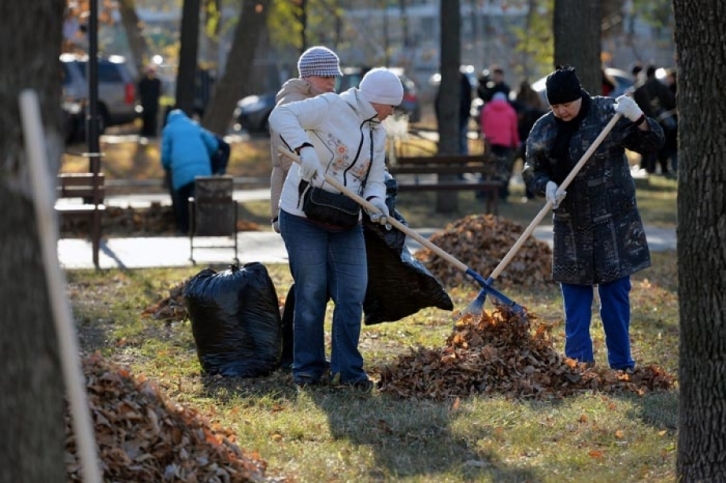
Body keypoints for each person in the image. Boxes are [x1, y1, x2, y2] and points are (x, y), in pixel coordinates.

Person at [268, 67, 403, 391]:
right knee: (312, 290)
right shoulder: (330, 106)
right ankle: (308, 369)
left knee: (352, 292)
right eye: (391, 106)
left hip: (346, 221)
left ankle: (348, 371)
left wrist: (376, 201)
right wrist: (305, 149)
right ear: (378, 100)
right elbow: (281, 117)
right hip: (302, 215)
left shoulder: (376, 132)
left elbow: (374, 176)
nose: (393, 113)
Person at [522, 65, 664, 371]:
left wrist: (637, 117)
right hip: (572, 225)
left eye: (566, 105)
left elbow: (654, 143)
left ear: (579, 96)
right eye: (555, 106)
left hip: (614, 222)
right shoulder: (545, 127)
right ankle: (578, 365)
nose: (561, 112)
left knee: (614, 298)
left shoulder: (607, 114)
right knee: (575, 299)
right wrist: (544, 185)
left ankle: (622, 363)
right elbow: (532, 168)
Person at [270, 46, 343, 234]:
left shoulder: (323, 101)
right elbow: (289, 162)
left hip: (317, 196)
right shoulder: (292, 104)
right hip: (300, 199)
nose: (331, 82)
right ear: (307, 77)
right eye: (325, 76)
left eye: (333, 76)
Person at [161, 109, 219, 234]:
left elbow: (165, 157)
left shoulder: (169, 129)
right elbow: (213, 145)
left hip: (181, 171)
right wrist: (205, 158)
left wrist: (167, 166)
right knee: (200, 197)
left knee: (182, 199)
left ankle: (184, 228)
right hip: (203, 170)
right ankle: (203, 227)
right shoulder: (194, 125)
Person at [632, 65, 677, 176]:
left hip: (644, 121)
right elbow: (671, 101)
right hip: (661, 121)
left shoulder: (640, 89)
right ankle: (664, 167)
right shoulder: (661, 87)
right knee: (663, 146)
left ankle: (647, 166)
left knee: (646, 145)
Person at [480, 92, 520, 202]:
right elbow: (513, 130)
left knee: (489, 168)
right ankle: (502, 194)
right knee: (503, 168)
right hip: (505, 143)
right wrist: (516, 143)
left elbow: (483, 125)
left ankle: (486, 194)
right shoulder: (510, 111)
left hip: (490, 143)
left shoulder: (487, 109)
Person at [138, 65, 162, 138]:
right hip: (146, 103)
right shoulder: (143, 81)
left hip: (153, 103)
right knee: (145, 118)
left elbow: (159, 92)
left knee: (153, 118)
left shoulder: (157, 82)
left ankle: (152, 132)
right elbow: (140, 92)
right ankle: (145, 132)